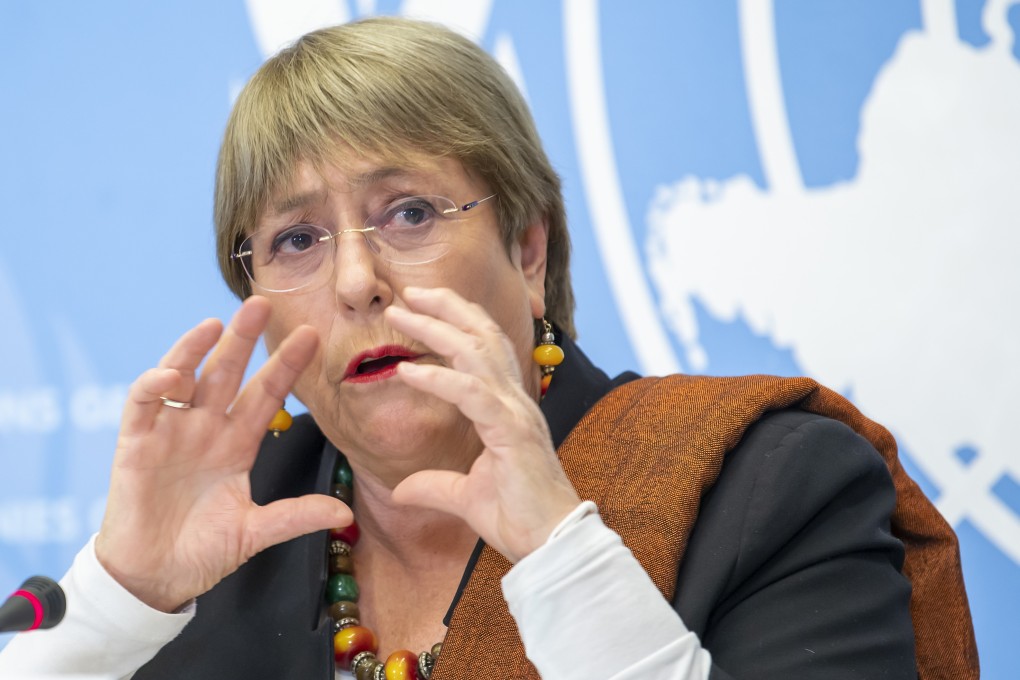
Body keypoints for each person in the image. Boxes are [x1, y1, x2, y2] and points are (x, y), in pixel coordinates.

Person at [0, 16, 977, 680]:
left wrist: (566, 560)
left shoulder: (771, 484)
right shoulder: (225, 537)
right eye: (297, 238)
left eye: (411, 212)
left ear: (527, 245)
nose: (355, 281)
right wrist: (119, 597)